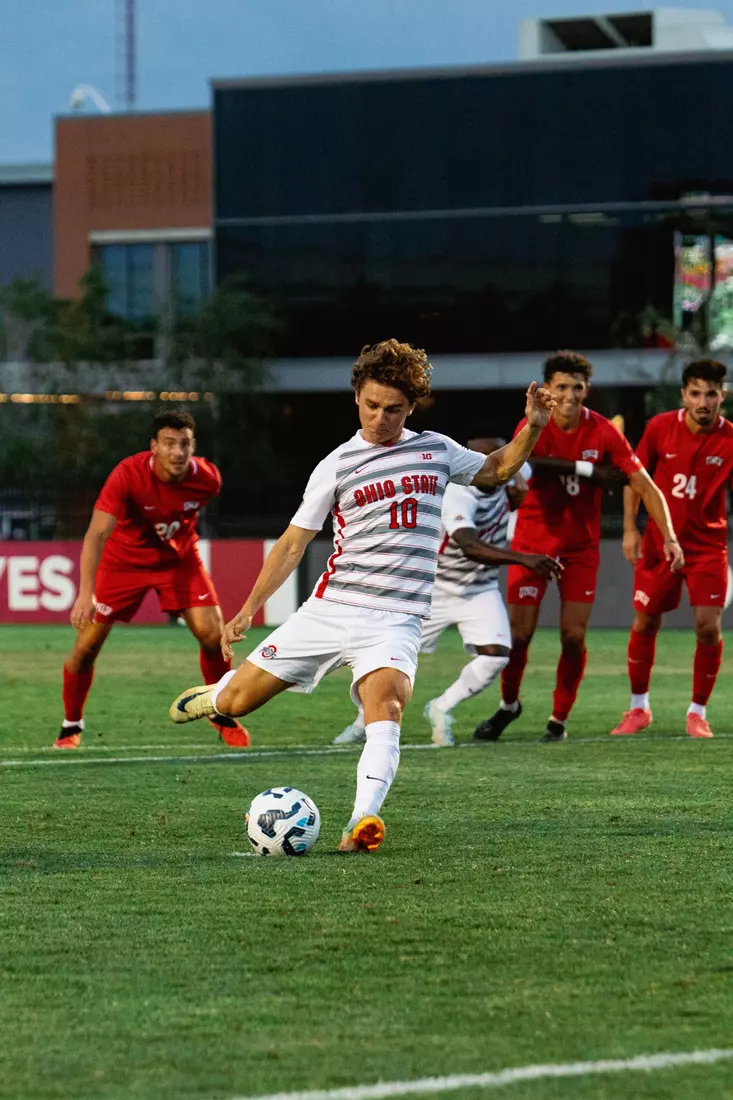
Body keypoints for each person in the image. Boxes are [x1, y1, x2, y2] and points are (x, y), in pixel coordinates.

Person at [168, 339, 555, 852]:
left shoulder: (437, 450)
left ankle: (362, 822)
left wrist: (533, 426)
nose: (380, 418)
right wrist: (247, 610)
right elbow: (292, 544)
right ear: (356, 397)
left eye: (393, 409)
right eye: (371, 405)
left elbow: (498, 468)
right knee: (239, 700)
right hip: (331, 609)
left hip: (396, 619)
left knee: (387, 709)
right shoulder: (336, 464)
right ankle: (214, 698)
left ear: (411, 407)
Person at [475, 350, 684, 743]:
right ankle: (508, 705)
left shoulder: (603, 431)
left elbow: (644, 484)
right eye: (561, 387)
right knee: (519, 636)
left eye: (577, 387)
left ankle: (558, 720)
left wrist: (669, 535)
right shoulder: (533, 423)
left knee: (573, 636)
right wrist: (588, 470)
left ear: (587, 390)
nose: (569, 395)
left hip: (580, 549)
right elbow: (527, 463)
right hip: (533, 545)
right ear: (547, 389)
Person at [332, 439, 563, 748]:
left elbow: (537, 463)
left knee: (496, 655)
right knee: (387, 655)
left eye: (502, 456)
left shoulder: (509, 476)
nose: (500, 462)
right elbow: (470, 546)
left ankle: (440, 708)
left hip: (479, 589)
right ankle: (364, 721)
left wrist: (588, 469)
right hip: (433, 588)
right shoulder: (457, 493)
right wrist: (525, 558)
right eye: (490, 457)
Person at [55, 410, 249, 750]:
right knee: (85, 648)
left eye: (184, 444)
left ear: (193, 446)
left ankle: (220, 711)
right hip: (123, 563)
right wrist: (85, 594)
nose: (177, 452)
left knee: (212, 635)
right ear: (154, 447)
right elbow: (96, 534)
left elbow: (180, 512)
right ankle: (71, 724)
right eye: (169, 443)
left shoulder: (208, 479)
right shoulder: (127, 474)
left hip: (178, 561)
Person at [610, 359, 733, 739]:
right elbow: (634, 479)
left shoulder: (731, 439)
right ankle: (638, 708)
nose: (703, 401)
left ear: (722, 396)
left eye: (711, 394)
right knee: (645, 622)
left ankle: (697, 713)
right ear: (683, 395)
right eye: (695, 393)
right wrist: (629, 529)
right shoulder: (660, 427)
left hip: (708, 547)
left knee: (708, 627)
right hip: (658, 544)